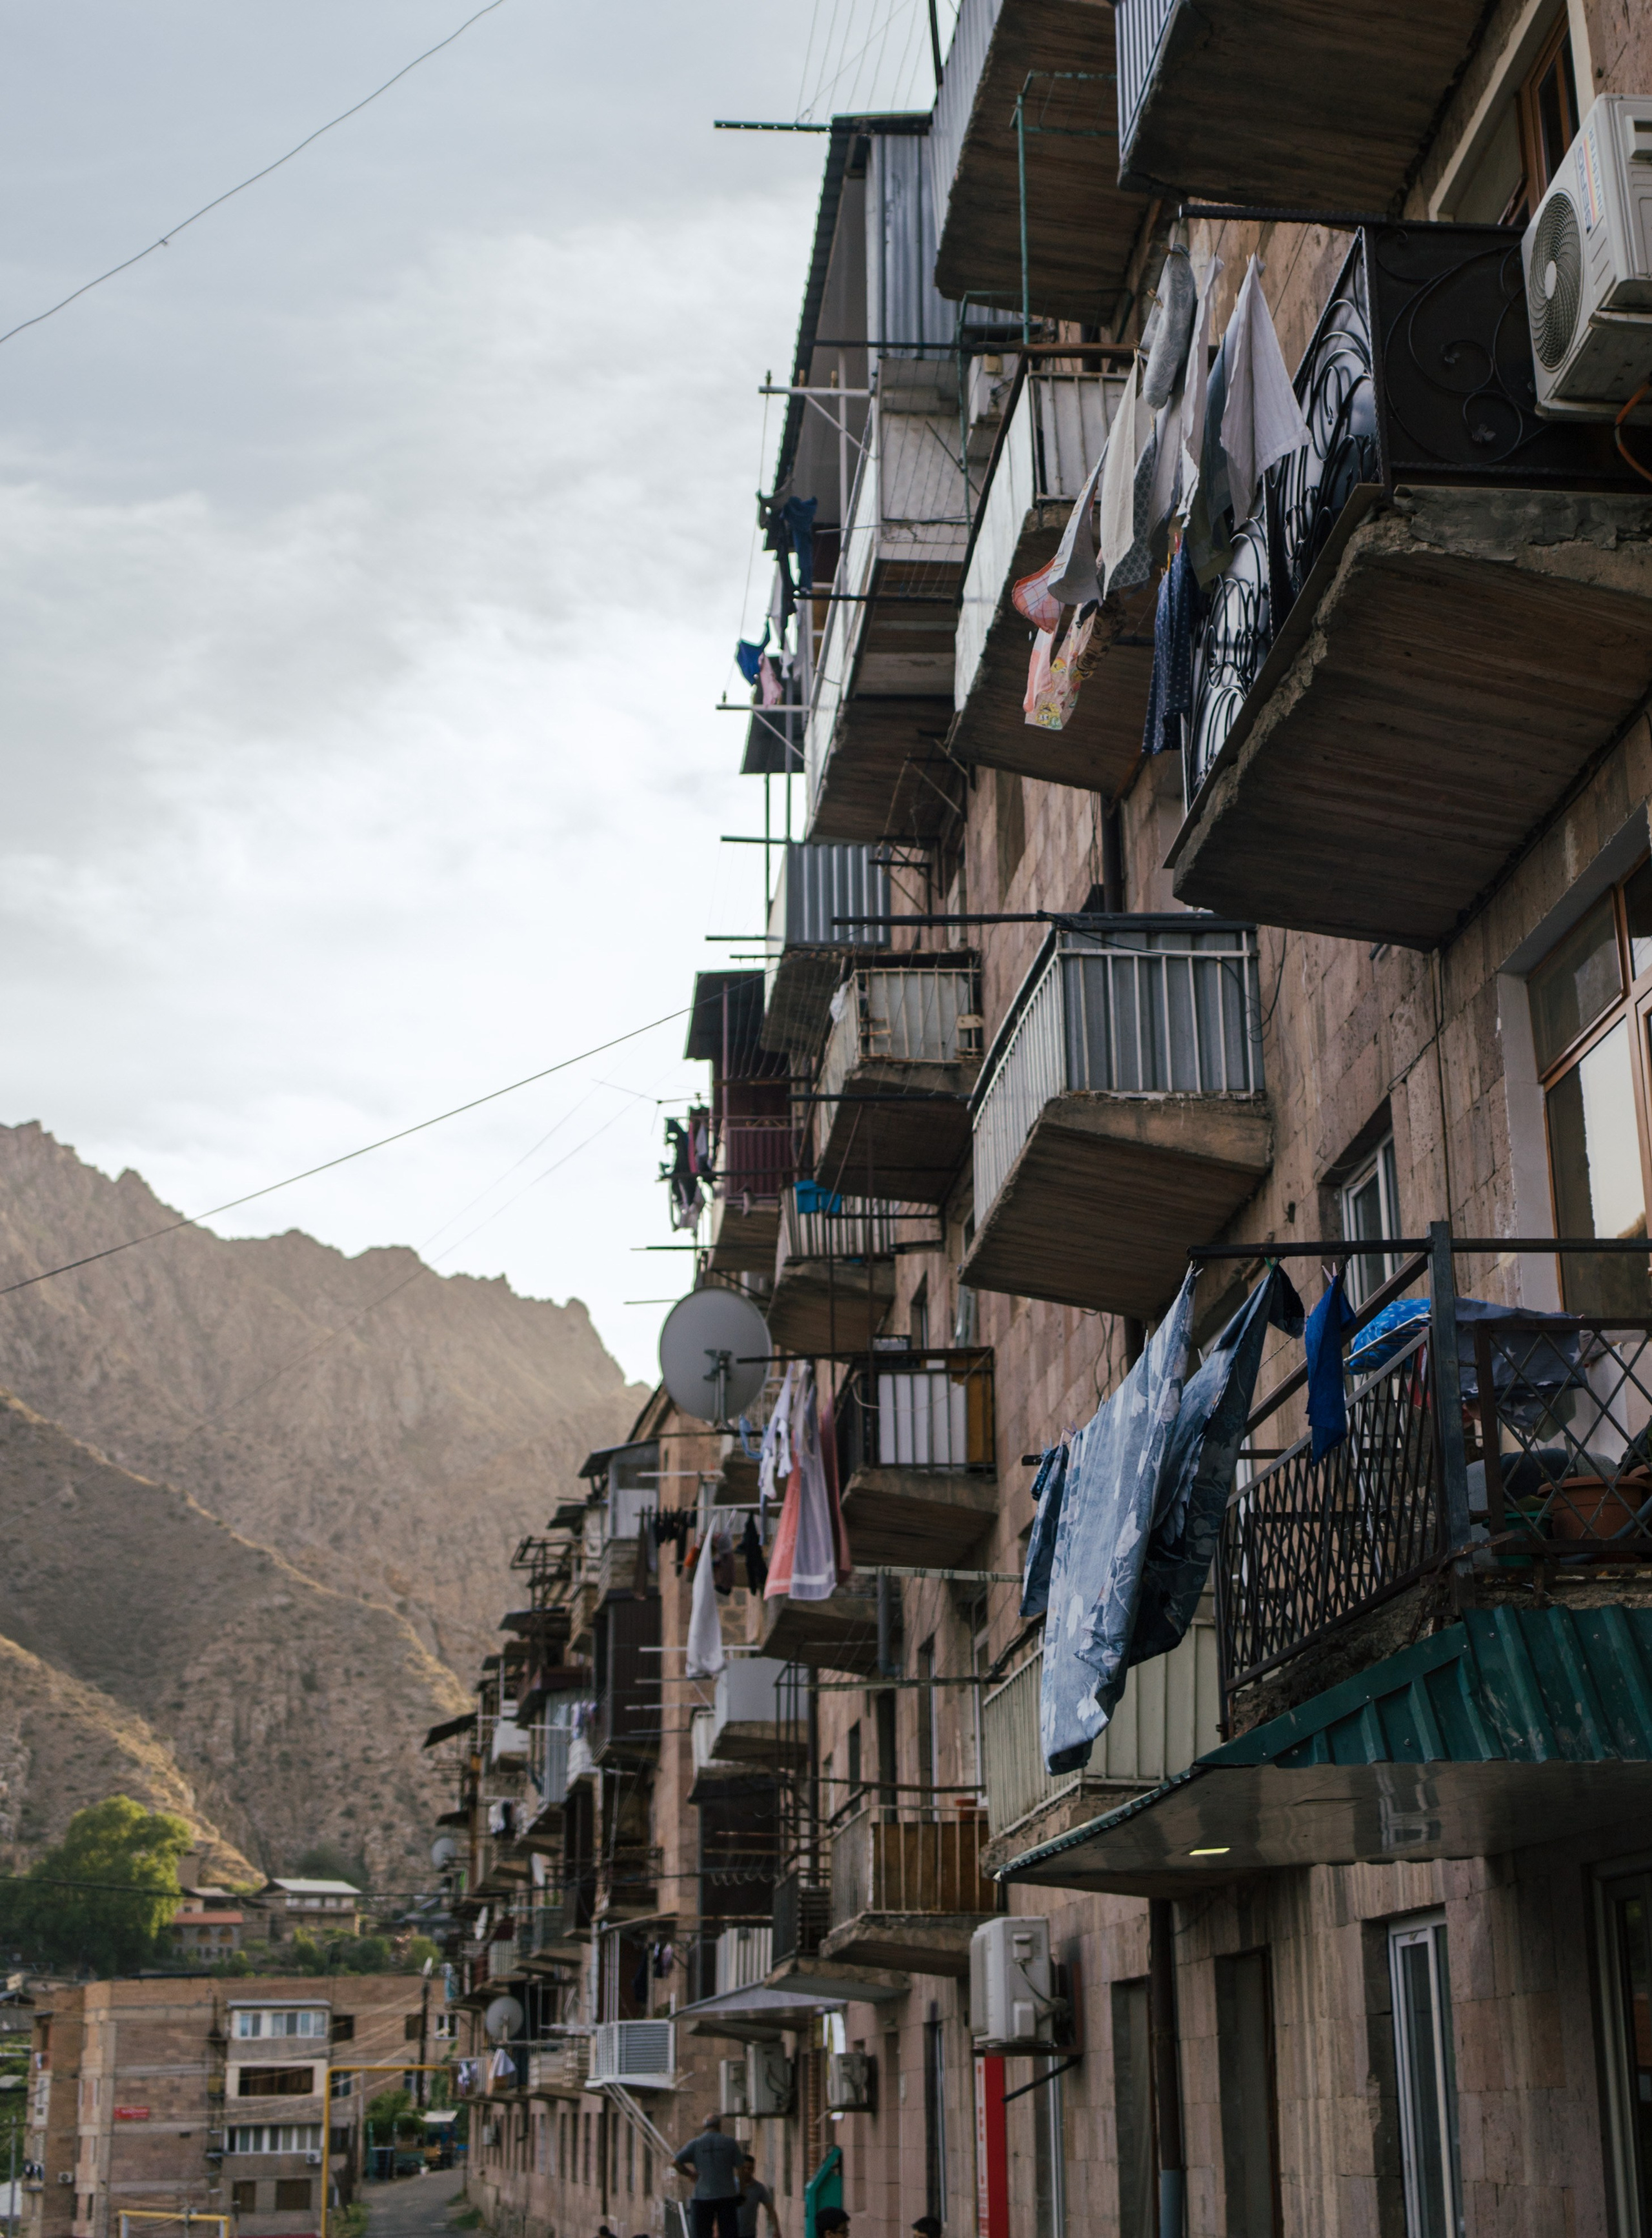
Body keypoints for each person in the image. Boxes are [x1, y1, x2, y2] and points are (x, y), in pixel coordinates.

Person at [672, 2113, 745, 2238]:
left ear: (704, 2127)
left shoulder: (696, 2143)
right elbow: (741, 2168)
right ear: (719, 2126)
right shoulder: (730, 2143)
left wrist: (690, 2174)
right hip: (726, 2196)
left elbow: (675, 2162)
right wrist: (742, 2192)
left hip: (702, 2197)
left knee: (701, 2234)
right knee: (729, 2234)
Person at [736, 2153, 780, 2238]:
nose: (747, 2171)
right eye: (744, 2168)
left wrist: (777, 2230)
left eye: (750, 2169)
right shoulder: (732, 2186)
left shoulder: (759, 2188)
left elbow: (770, 2210)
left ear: (753, 2170)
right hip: (731, 2232)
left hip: (749, 2234)